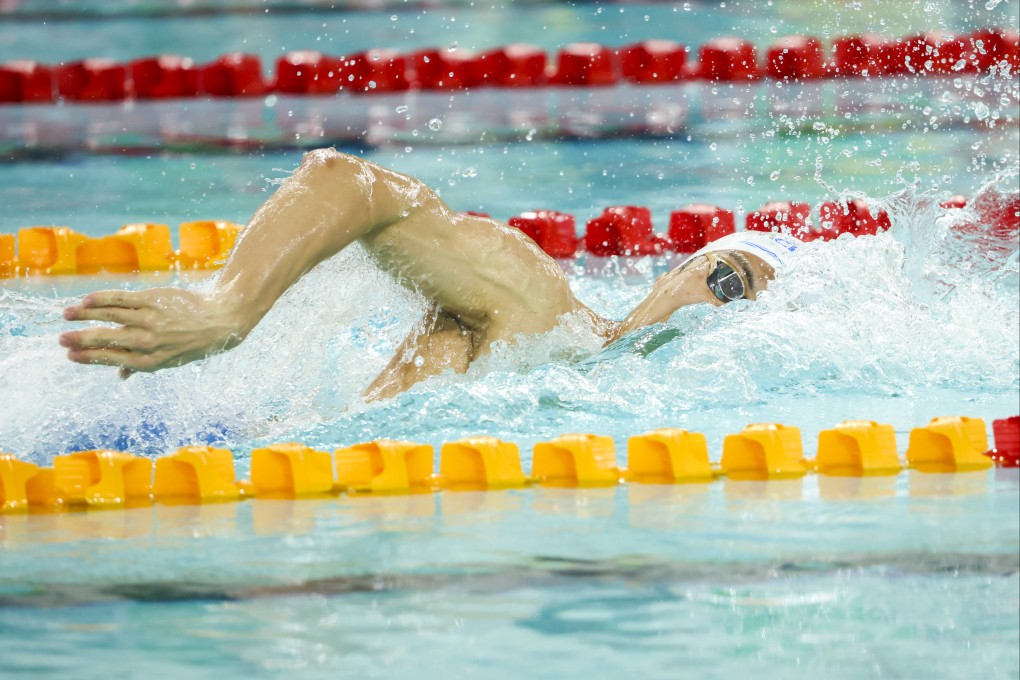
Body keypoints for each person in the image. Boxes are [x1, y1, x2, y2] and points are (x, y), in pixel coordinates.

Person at [60, 148, 800, 400]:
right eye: (727, 282)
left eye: (744, 314)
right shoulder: (543, 310)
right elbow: (349, 182)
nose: (716, 313)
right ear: (681, 268)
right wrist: (228, 306)